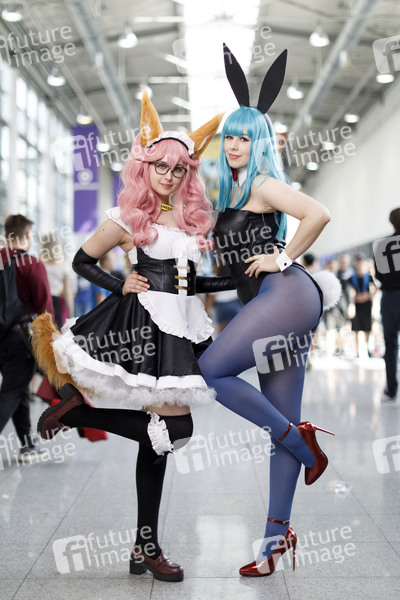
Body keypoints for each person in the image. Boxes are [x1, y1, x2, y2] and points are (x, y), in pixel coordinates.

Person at [30, 91, 226, 583]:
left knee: (157, 443)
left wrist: (240, 279)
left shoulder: (191, 219)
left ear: (188, 173)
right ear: (145, 165)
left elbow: (192, 282)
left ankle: (144, 548)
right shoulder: (128, 217)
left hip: (181, 326)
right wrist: (120, 283)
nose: (169, 176)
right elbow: (82, 260)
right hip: (145, 328)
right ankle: (78, 413)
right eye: (161, 166)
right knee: (175, 431)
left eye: (179, 169)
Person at [197, 45, 338, 577]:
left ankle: (302, 444)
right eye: (229, 137)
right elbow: (234, 269)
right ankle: (273, 544)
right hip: (275, 304)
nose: (234, 145)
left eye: (244, 137)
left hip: (286, 294)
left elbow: (318, 213)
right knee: (282, 419)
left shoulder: (262, 183)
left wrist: (284, 256)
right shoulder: (235, 193)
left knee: (212, 370)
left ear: (259, 143)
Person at [0, 214, 54, 462]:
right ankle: (28, 445)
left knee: (18, 388)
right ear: (28, 234)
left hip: (2, 337)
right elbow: (44, 310)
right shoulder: (31, 264)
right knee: (12, 391)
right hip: (20, 340)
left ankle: (28, 446)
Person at [374, 208, 400, 401]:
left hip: (390, 298)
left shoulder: (382, 245)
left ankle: (391, 389)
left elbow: (379, 276)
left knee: (390, 346)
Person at [40, 233, 74, 327]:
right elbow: (67, 293)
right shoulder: (63, 266)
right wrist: (71, 315)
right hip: (55, 303)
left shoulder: (38, 263)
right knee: (55, 331)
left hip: (40, 301)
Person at [348, 253, 376, 357]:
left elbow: (374, 290)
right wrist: (353, 300)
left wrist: (367, 296)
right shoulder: (351, 278)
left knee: (367, 328)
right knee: (356, 329)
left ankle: (367, 347)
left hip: (367, 306)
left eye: (361, 261)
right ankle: (357, 350)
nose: (359, 263)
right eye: (357, 261)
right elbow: (350, 292)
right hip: (356, 306)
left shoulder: (369, 277)